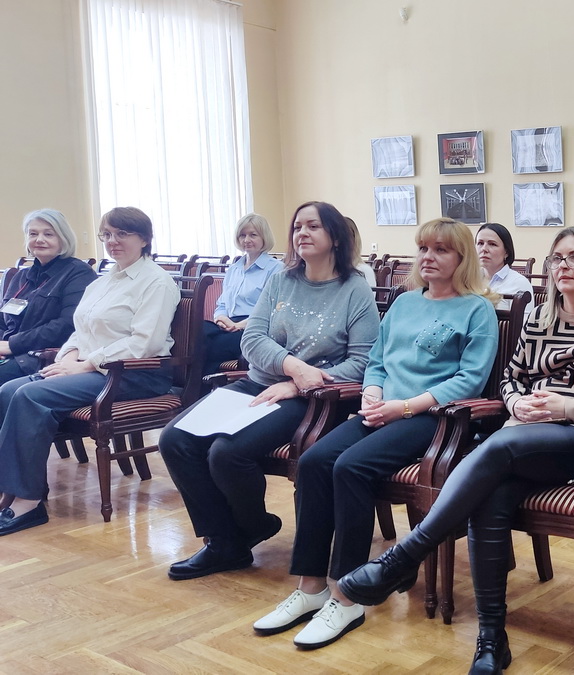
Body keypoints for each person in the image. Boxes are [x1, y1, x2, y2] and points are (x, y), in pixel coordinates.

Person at [337, 226, 574, 674]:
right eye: (557, 258)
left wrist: (572, 407)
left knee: (497, 447)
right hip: (523, 438)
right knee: (491, 497)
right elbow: (511, 378)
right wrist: (516, 402)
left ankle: (405, 555)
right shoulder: (540, 317)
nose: (563, 267)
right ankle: (491, 639)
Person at [252, 218, 498, 649]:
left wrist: (405, 406)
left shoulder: (477, 309)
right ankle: (311, 587)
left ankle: (349, 594)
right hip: (383, 408)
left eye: (441, 250)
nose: (428, 257)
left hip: (433, 418)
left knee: (351, 467)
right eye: (424, 248)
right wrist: (372, 393)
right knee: (313, 461)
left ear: (462, 258)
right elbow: (378, 361)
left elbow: (469, 380)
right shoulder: (404, 302)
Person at [160, 201, 379, 580]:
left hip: (314, 398)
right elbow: (252, 339)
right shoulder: (281, 280)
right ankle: (230, 538)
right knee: (174, 439)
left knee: (226, 453)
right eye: (297, 227)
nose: (302, 233)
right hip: (260, 383)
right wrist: (292, 367)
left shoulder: (354, 289)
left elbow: (362, 362)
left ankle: (240, 532)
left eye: (313, 226)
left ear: (335, 237)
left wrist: (297, 385)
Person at [0, 207, 178, 536]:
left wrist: (85, 364)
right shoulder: (104, 281)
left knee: (29, 396)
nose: (113, 241)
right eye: (107, 234)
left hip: (135, 374)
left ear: (144, 239)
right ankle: (10, 490)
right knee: (8, 390)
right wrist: (68, 358)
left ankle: (28, 502)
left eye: (122, 234)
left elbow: (145, 343)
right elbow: (79, 330)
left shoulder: (156, 281)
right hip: (94, 369)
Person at [0, 209, 97, 384]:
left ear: (63, 239)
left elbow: (67, 325)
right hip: (10, 352)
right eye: (33, 234)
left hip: (42, 357)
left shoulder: (79, 273)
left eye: (48, 234)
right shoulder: (21, 276)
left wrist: (12, 345)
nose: (39, 239)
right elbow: (2, 321)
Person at [203, 213, 283, 375]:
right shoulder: (234, 269)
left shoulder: (276, 269)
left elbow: (273, 310)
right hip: (228, 324)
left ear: (264, 237)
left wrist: (238, 325)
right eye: (242, 235)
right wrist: (221, 319)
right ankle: (203, 383)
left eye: (253, 235)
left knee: (206, 347)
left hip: (254, 328)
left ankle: (198, 384)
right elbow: (222, 304)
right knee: (199, 332)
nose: (247, 240)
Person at [476, 222, 533, 310]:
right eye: (480, 243)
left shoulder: (519, 283)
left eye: (492, 244)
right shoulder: (468, 280)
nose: (484, 249)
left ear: (506, 252)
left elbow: (524, 319)